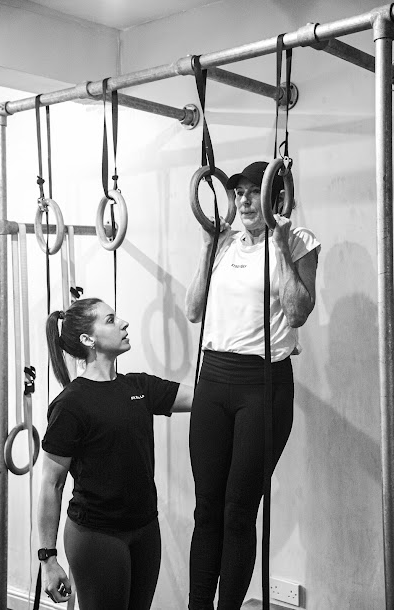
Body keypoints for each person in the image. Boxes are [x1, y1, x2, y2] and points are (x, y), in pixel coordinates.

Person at [185, 161, 320, 610]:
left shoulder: (298, 241)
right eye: (238, 192)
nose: (243, 200)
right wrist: (207, 247)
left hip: (262, 385)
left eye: (252, 192)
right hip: (213, 379)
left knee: (237, 512)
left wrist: (280, 248)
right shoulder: (224, 242)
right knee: (207, 510)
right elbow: (193, 310)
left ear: (277, 198)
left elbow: (297, 312)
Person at [37, 297, 192, 609]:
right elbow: (52, 484)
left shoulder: (139, 387)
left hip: (146, 529)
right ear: (88, 339)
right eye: (110, 320)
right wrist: (48, 559)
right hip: (96, 536)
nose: (123, 323)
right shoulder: (71, 404)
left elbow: (204, 399)